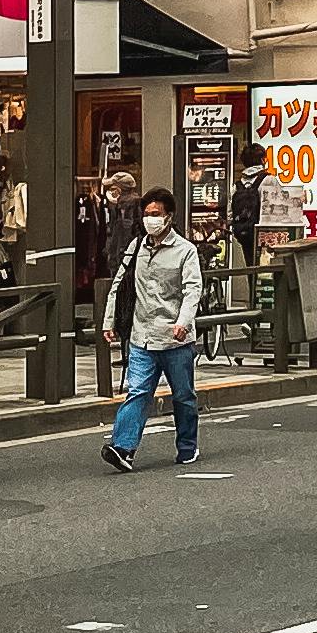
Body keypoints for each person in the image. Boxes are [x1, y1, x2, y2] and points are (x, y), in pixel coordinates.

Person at [99, 187, 204, 470]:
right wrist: (109, 321)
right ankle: (123, 448)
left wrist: (183, 322)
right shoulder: (135, 248)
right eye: (146, 215)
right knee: (138, 392)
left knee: (183, 396)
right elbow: (119, 286)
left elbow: (193, 290)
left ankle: (187, 447)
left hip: (175, 339)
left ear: (169, 217)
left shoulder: (185, 251)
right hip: (141, 337)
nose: (150, 220)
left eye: (156, 214)